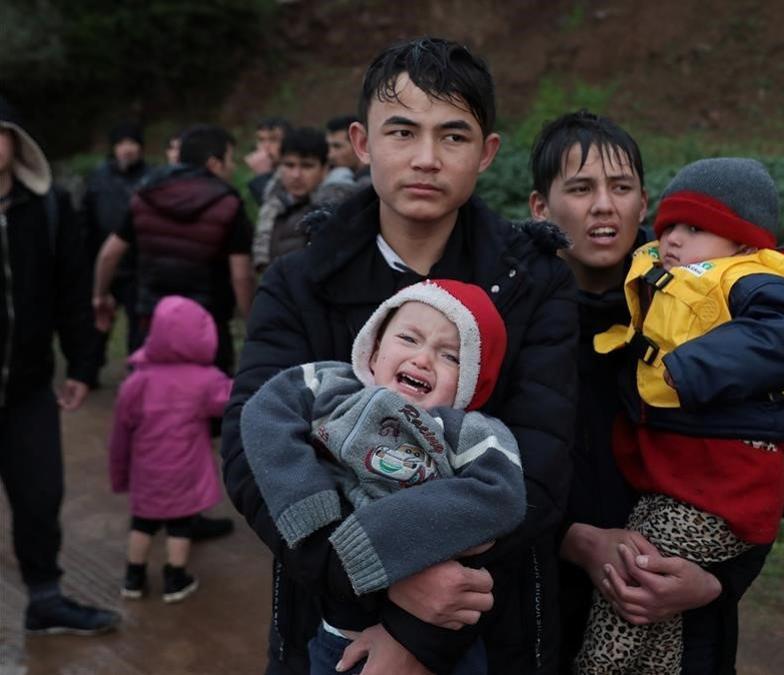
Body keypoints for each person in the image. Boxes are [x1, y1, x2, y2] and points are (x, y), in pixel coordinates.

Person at [220, 37, 577, 675]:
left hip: (490, 625)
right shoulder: (301, 281)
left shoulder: (534, 282)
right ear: (362, 143)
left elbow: (539, 468)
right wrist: (362, 573)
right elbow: (253, 446)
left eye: (454, 136)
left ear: (487, 152)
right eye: (402, 131)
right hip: (326, 621)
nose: (426, 159)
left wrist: (416, 632)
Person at [571, 157, 784, 673]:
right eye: (668, 227)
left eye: (694, 228)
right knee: (660, 612)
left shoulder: (751, 280)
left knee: (634, 581)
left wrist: (692, 367)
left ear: (740, 244)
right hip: (675, 477)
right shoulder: (665, 275)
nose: (672, 240)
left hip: (720, 482)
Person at [242, 280, 526, 673]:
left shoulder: (472, 432)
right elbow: (264, 413)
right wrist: (309, 507)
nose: (423, 359)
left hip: (438, 636)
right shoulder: (333, 388)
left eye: (450, 356)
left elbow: (501, 496)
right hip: (338, 632)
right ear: (373, 351)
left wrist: (367, 539)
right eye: (409, 337)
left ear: (471, 383)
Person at [0, 96, 120, 635]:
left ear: (17, 145)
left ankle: (45, 599)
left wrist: (82, 364)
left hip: (27, 390)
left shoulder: (47, 209)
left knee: (40, 497)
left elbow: (73, 291)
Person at [92, 124, 255, 376]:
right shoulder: (229, 205)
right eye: (230, 159)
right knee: (210, 400)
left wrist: (100, 296)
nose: (233, 167)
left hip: (152, 321)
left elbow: (109, 253)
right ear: (214, 164)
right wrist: (252, 322)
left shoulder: (145, 196)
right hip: (207, 325)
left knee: (153, 394)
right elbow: (241, 276)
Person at [108, 295, 233, 604]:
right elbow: (231, 400)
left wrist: (120, 474)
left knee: (142, 523)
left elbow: (119, 436)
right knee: (179, 525)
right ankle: (175, 578)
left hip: (146, 472)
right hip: (183, 473)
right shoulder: (205, 380)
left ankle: (133, 577)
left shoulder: (137, 380)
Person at [80, 121, 152, 367]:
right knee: (96, 323)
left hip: (139, 266)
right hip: (103, 262)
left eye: (132, 143)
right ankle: (86, 373)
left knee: (139, 328)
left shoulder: (152, 178)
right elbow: (86, 221)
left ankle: (137, 375)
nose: (127, 149)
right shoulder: (98, 178)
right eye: (121, 144)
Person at [251, 126, 356, 272]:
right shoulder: (274, 206)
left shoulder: (335, 210)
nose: (296, 175)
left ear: (325, 168)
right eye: (289, 165)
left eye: (307, 166)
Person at [246, 116, 292, 205]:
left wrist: (263, 176)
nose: (265, 146)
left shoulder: (295, 172)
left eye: (273, 140)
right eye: (261, 140)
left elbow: (279, 209)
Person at [326, 114, 370, 185]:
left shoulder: (371, 183)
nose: (330, 155)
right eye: (328, 147)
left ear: (358, 143)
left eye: (337, 146)